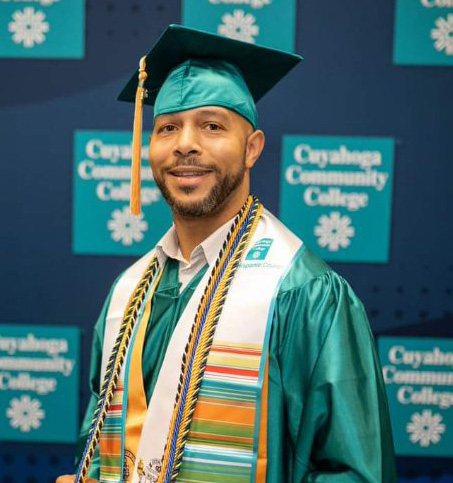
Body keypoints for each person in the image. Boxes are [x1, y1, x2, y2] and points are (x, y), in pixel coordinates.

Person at [57, 24, 397, 483]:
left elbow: (356, 472)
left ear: (252, 147)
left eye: (212, 125)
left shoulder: (303, 293)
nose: (185, 143)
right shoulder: (128, 293)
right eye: (168, 127)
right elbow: (102, 449)